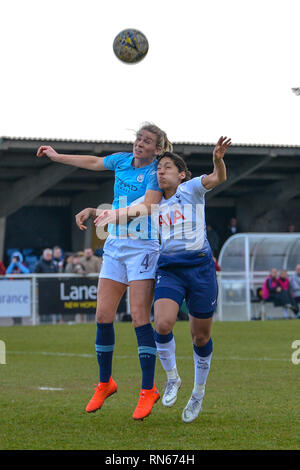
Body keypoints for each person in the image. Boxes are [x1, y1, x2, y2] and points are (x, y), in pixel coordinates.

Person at [37, 122, 172, 420]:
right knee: (103, 315)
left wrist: (109, 213)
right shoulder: (122, 160)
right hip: (115, 245)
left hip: (142, 248)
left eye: (147, 141)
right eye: (139, 138)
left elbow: (149, 207)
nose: (140, 143)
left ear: (157, 149)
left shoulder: (156, 173)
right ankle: (105, 382)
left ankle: (148, 389)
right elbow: (94, 162)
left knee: (139, 316)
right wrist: (57, 157)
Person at [150, 136, 231, 423]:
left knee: (200, 336)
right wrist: (102, 213)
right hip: (170, 269)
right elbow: (126, 211)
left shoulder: (191, 188)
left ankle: (198, 392)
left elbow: (217, 178)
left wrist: (218, 160)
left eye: (167, 167)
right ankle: (172, 378)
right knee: (161, 323)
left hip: (200, 269)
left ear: (181, 174)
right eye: (158, 168)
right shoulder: (153, 201)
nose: (161, 172)